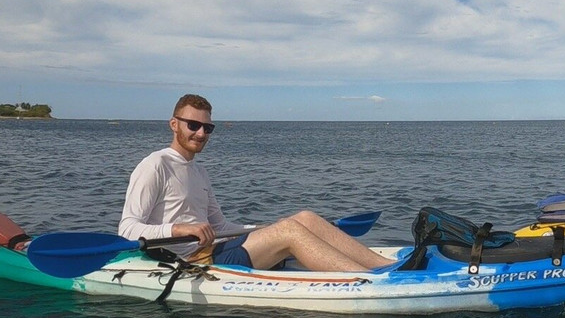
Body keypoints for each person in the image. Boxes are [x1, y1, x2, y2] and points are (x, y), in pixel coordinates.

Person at [119, 94, 394, 271]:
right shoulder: (155, 165)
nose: (201, 133)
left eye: (208, 128)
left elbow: (221, 227)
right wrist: (178, 229)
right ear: (174, 125)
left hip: (213, 247)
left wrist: (264, 229)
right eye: (193, 125)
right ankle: (371, 280)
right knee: (289, 232)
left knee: (304, 219)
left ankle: (387, 267)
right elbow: (128, 229)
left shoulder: (198, 171)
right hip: (191, 261)